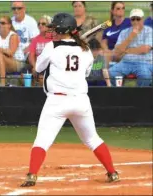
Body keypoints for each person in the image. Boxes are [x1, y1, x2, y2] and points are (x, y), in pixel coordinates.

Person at [20, 13, 119, 187]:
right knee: (92, 139)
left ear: (62, 30)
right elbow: (86, 73)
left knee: (42, 140)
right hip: (81, 101)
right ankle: (112, 172)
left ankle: (32, 175)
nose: (52, 31)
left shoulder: (52, 47)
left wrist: (58, 55)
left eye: (55, 29)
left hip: (57, 102)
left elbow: (38, 67)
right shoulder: (85, 49)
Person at [108, 9, 153, 87]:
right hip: (126, 62)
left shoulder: (149, 31)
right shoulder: (124, 32)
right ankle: (121, 94)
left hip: (144, 62)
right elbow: (118, 51)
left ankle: (139, 96)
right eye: (133, 19)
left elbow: (145, 49)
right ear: (130, 20)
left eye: (138, 19)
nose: (135, 21)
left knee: (145, 76)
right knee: (112, 72)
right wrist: (131, 36)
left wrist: (125, 51)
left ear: (142, 19)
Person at [28, 15, 53, 86]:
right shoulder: (35, 39)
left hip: (50, 64)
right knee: (24, 76)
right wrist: (35, 66)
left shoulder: (54, 38)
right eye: (39, 24)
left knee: (42, 77)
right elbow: (31, 55)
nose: (40, 25)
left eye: (43, 24)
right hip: (38, 64)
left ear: (49, 25)